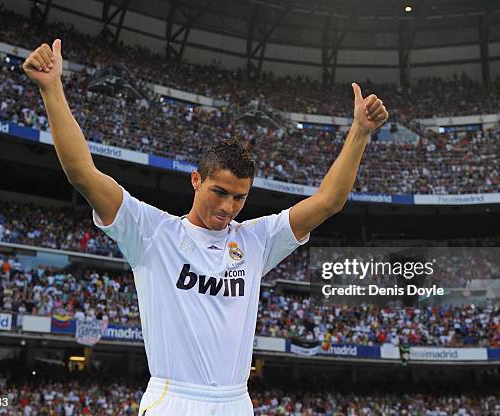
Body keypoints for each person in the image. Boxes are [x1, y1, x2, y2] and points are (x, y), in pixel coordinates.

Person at [22, 39, 388, 416]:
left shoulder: (256, 240)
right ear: (196, 180)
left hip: (236, 401)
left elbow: (329, 202)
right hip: (173, 400)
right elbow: (82, 173)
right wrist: (51, 89)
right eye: (220, 192)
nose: (228, 207)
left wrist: (359, 131)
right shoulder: (151, 233)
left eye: (240, 198)